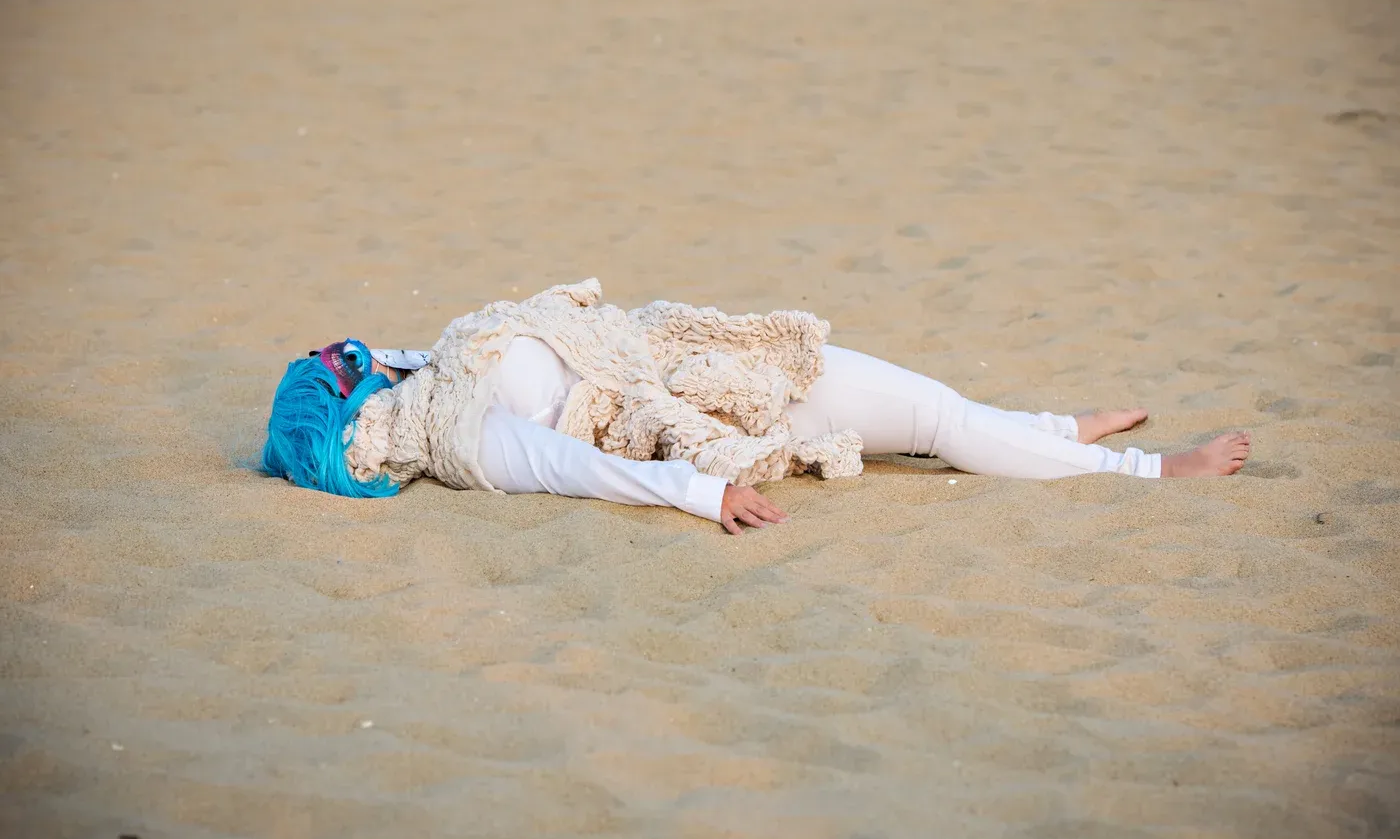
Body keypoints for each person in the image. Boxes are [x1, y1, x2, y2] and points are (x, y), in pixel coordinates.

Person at [261, 280, 1251, 535]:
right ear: (355, 428)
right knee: (938, 430)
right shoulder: (458, 430)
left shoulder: (447, 348)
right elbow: (568, 464)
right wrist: (696, 493)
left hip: (712, 356)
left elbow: (591, 329)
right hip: (718, 421)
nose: (352, 365)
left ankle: (1043, 433)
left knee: (937, 411)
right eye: (341, 377)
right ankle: (1154, 470)